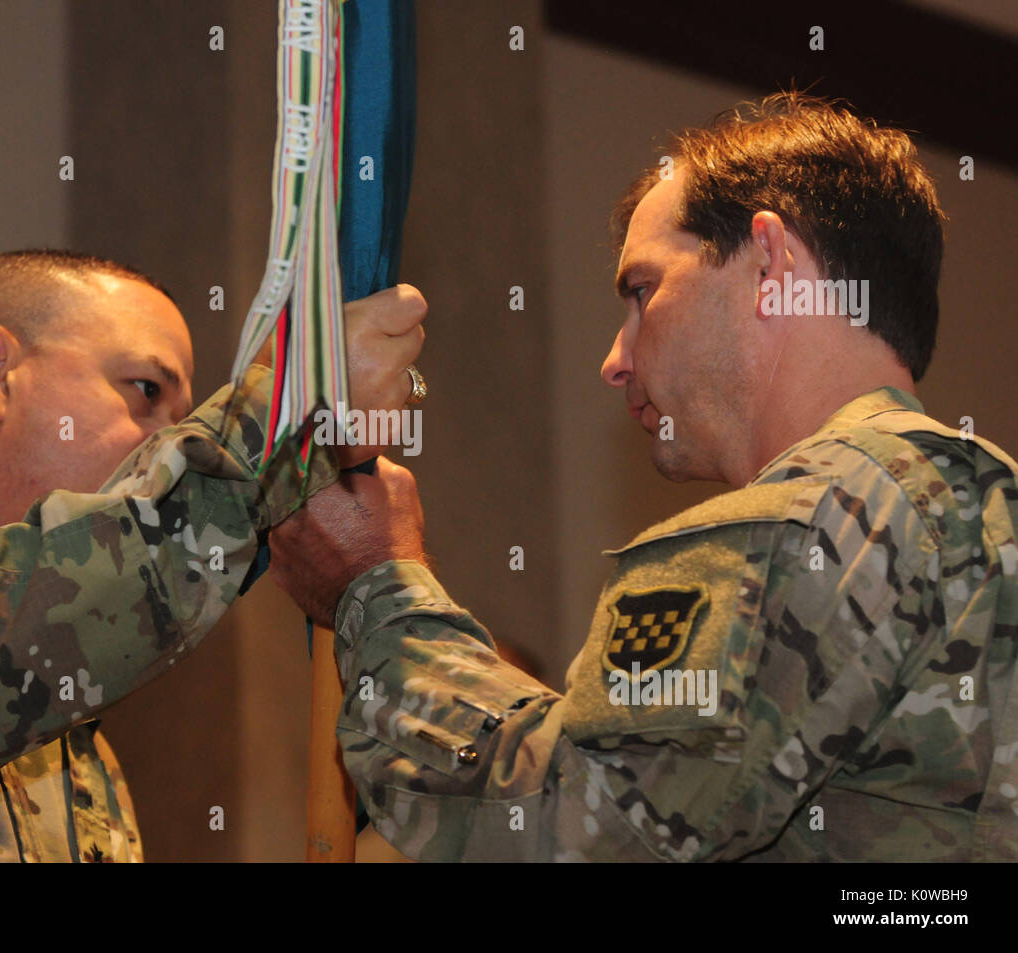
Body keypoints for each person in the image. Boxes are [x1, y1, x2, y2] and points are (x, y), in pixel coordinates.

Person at [269, 93, 1018, 861]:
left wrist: (377, 587)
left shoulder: (818, 521)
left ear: (772, 262)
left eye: (642, 291)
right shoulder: (979, 508)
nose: (615, 359)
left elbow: (574, 828)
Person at [0, 249, 426, 862]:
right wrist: (281, 411)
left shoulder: (65, 729)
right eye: (145, 392)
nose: (162, 441)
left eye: (181, 424)